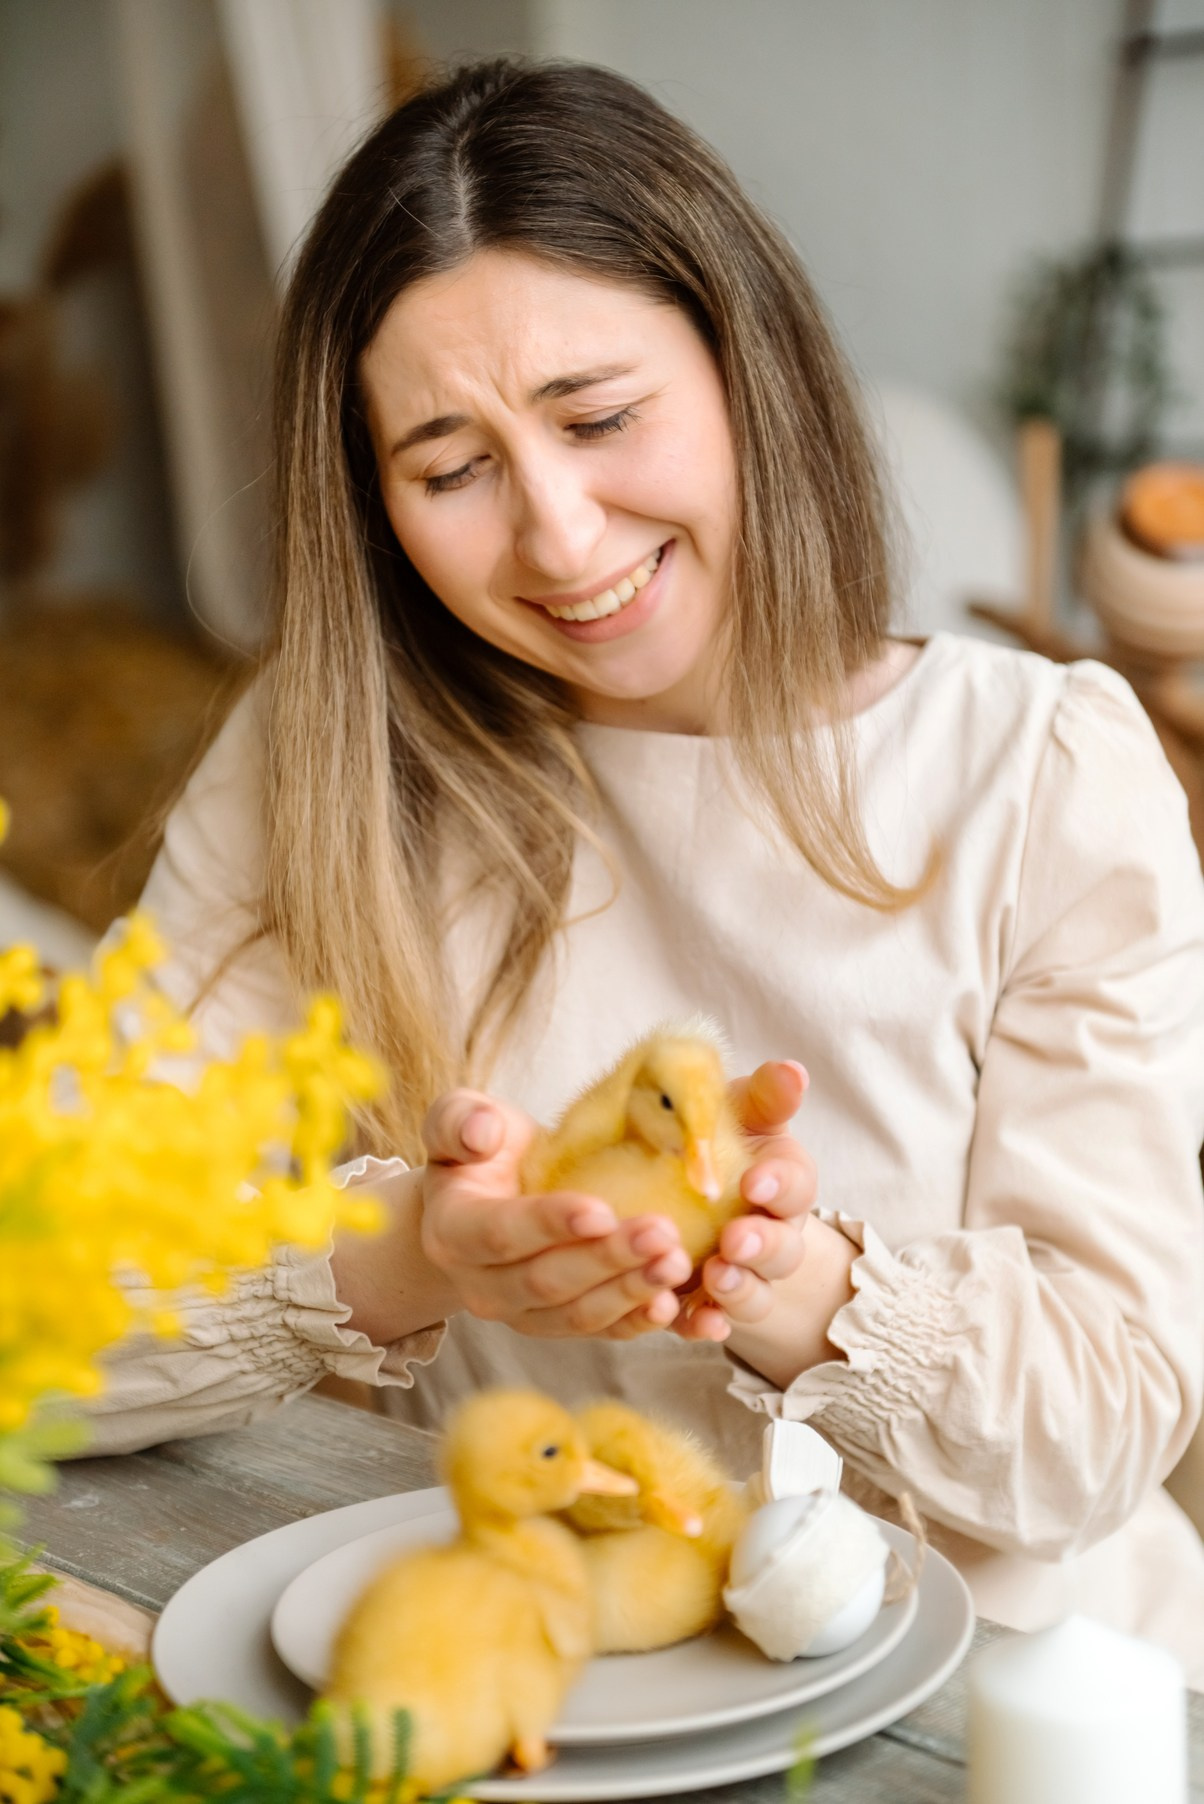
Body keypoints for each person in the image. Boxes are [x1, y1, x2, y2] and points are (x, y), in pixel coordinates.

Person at [87, 58, 1204, 1675]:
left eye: (602, 419)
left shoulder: (1038, 773)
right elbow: (46, 1323)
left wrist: (788, 1282)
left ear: (747, 367)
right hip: (557, 1690)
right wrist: (408, 1257)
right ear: (371, 503)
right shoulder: (325, 766)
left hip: (1016, 1707)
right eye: (451, 469)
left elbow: (1105, 1426)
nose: (558, 536)